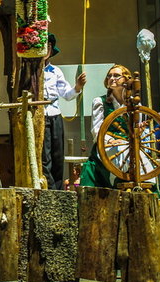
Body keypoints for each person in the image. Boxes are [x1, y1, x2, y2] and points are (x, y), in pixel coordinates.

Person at [79, 64, 136, 188]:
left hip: (129, 147)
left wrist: (137, 133)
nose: (112, 78)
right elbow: (96, 130)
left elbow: (137, 129)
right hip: (106, 146)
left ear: (126, 80)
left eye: (116, 75)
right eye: (109, 76)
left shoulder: (134, 103)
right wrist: (111, 140)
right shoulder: (100, 102)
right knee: (116, 154)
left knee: (142, 162)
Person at [41, 33, 86, 190]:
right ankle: (50, 189)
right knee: (44, 156)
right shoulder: (31, 70)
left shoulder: (55, 71)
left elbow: (67, 94)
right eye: (43, 45)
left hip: (55, 115)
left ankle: (59, 189)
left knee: (58, 154)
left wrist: (78, 87)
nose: (46, 49)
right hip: (40, 115)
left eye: (49, 46)